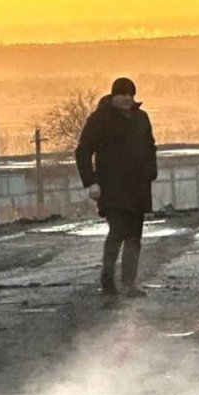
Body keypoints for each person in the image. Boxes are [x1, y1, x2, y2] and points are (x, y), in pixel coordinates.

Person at [75, 77, 157, 298]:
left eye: (131, 94)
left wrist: (151, 172)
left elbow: (150, 146)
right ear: (114, 96)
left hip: (138, 185)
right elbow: (83, 151)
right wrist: (91, 182)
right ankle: (108, 277)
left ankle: (129, 284)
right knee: (118, 230)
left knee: (135, 235)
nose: (128, 98)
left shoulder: (141, 118)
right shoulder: (100, 119)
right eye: (123, 94)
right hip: (112, 186)